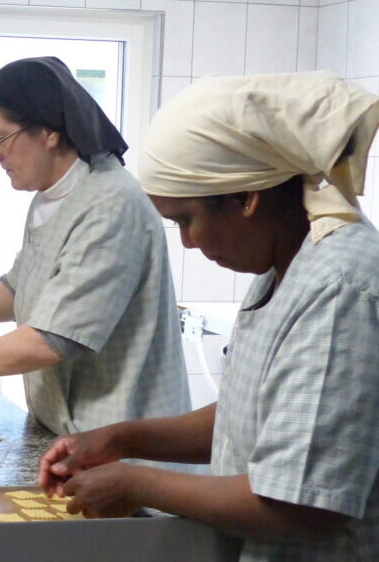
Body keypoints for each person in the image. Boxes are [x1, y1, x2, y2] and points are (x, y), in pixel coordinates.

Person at [38, 72, 379, 561]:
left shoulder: (338, 289)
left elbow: (301, 506)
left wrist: (137, 483)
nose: (188, 243)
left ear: (245, 198)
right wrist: (122, 438)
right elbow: (253, 415)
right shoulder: (284, 268)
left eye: (186, 219)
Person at [0, 57, 190, 438]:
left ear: (48, 132)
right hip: (66, 432)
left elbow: (53, 339)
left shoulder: (111, 203)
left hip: (125, 442)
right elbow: (17, 288)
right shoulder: (49, 197)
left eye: (0, 138)